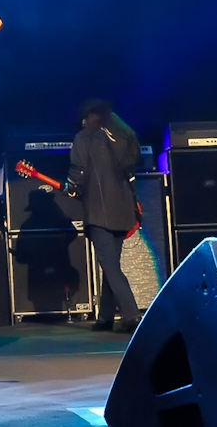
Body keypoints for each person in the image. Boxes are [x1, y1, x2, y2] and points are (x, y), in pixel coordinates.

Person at [63, 99, 142, 334]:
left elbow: (78, 172)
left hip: (99, 211)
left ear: (87, 117)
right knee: (111, 264)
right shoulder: (120, 136)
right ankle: (105, 317)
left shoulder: (85, 137)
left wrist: (72, 186)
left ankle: (132, 315)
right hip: (123, 209)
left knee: (109, 266)